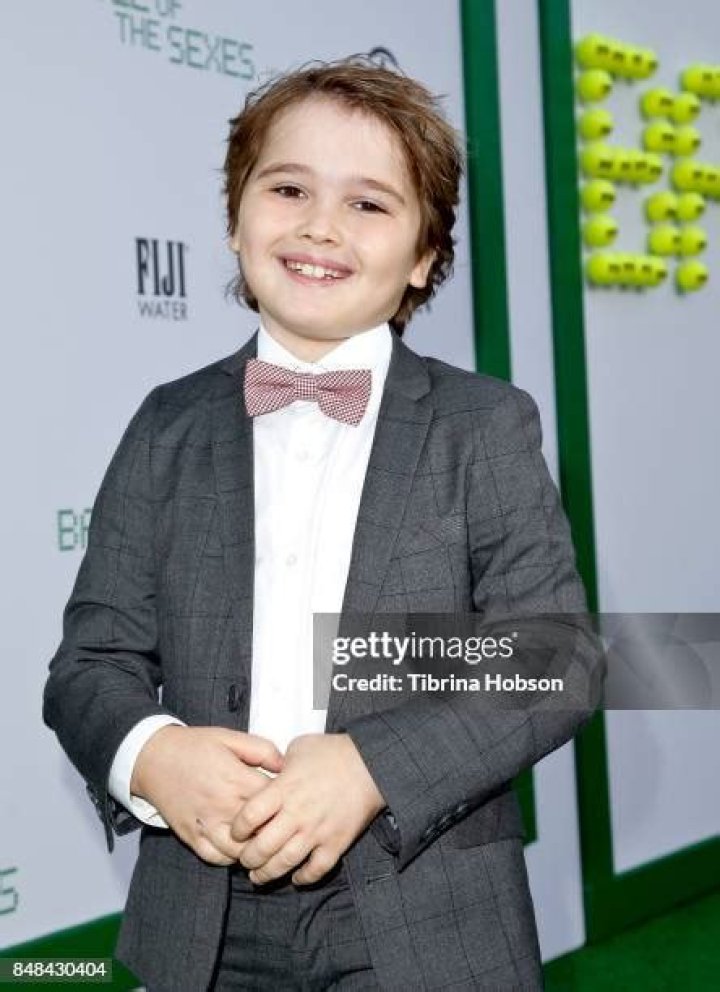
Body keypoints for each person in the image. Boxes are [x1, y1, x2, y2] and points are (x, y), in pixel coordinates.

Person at [43, 56, 604, 991]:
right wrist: (153, 755)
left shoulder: (483, 424)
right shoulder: (166, 424)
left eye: (369, 204)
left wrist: (371, 767)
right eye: (289, 188)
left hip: (428, 907)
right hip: (201, 914)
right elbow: (90, 663)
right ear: (235, 218)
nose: (319, 227)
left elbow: (555, 654)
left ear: (424, 256)